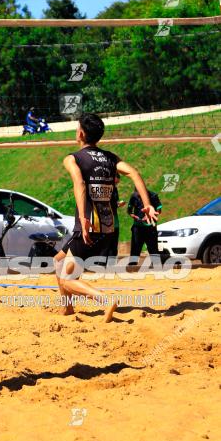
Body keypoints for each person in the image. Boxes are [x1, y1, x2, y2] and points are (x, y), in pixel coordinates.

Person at [55, 113, 159, 321]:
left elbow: (80, 183)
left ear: (81, 133)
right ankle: (67, 308)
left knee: (67, 278)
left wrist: (84, 217)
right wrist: (147, 204)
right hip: (108, 226)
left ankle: (104, 300)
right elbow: (134, 173)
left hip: (88, 225)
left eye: (77, 128)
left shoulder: (73, 158)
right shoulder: (111, 158)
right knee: (58, 261)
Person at [127, 188, 162, 265]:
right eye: (137, 193)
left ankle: (156, 264)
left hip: (150, 226)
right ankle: (132, 265)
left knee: (153, 247)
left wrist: (151, 215)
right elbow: (129, 210)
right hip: (138, 226)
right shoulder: (134, 196)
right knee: (135, 246)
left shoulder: (153, 195)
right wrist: (133, 216)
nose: (138, 195)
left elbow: (159, 209)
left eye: (139, 193)